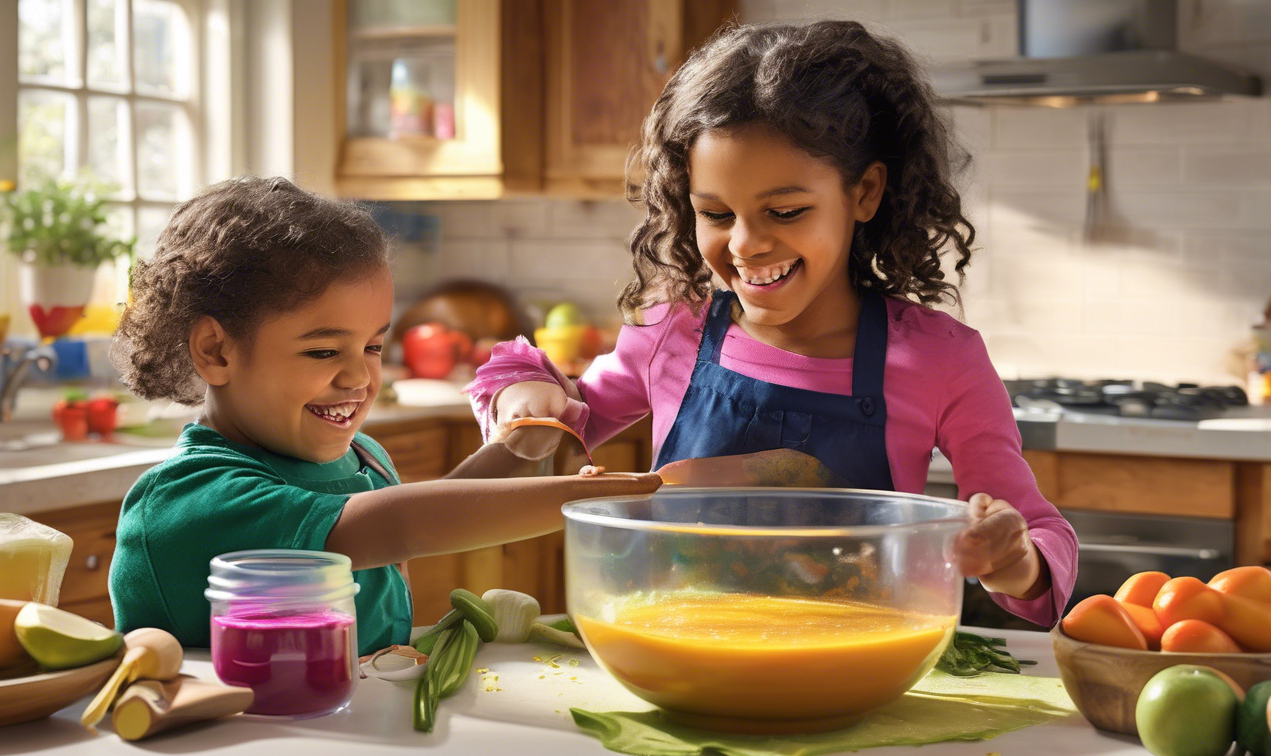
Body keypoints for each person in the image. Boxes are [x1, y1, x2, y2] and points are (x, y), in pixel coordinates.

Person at [468, 21, 1077, 625]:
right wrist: (521, 394)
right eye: (716, 213)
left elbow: (1041, 537)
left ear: (864, 193)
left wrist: (1012, 555)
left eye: (785, 211)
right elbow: (556, 427)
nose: (746, 244)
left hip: (851, 672)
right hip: (680, 656)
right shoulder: (671, 332)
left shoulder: (941, 360)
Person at [108, 176, 661, 654]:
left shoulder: (361, 457)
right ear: (216, 351)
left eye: (373, 347)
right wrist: (608, 496)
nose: (359, 378)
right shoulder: (192, 500)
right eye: (324, 351)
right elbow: (398, 526)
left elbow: (433, 510)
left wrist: (511, 450)